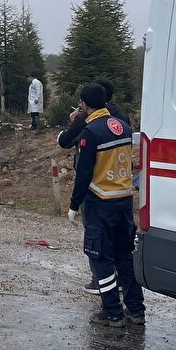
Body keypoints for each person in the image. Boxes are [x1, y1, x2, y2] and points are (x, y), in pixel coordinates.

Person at [67, 83, 143, 327]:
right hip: (124, 200)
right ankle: (136, 310)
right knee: (125, 257)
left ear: (85, 104)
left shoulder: (91, 132)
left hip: (100, 202)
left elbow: (84, 173)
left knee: (100, 259)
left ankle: (112, 312)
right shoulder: (123, 126)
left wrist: (73, 204)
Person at [57, 78, 130, 295]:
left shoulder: (89, 124)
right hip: (123, 190)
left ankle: (102, 285)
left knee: (97, 244)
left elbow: (67, 144)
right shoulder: (123, 119)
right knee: (123, 249)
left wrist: (73, 204)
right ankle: (130, 299)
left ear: (87, 103)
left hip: (98, 192)